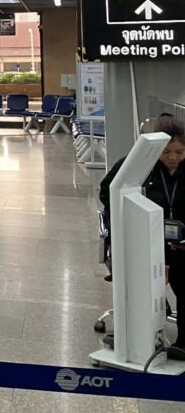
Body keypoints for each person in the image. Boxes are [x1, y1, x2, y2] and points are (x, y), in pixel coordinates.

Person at [99, 122, 185, 357]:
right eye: (166, 152)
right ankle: (130, 335)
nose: (172, 158)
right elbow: (108, 191)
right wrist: (128, 218)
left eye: (179, 152)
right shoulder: (138, 166)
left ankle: (183, 341)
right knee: (137, 285)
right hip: (145, 239)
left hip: (181, 244)